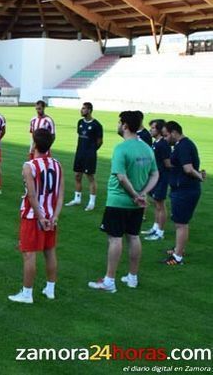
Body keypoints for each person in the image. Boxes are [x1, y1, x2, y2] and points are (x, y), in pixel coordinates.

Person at [89, 111, 157, 293]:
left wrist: (135, 194)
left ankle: (109, 280)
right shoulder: (146, 148)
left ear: (125, 125)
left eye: (120, 122)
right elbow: (155, 174)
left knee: (115, 239)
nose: (118, 125)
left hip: (119, 200)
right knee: (133, 236)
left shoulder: (121, 148)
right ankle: (132, 277)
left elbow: (121, 176)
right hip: (137, 204)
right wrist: (142, 194)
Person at [8, 128, 63, 304]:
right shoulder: (57, 165)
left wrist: (40, 216)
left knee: (29, 254)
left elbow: (31, 196)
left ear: (34, 143)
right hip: (50, 215)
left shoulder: (29, 166)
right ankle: (50, 289)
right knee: (50, 252)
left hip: (33, 216)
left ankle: (27, 294)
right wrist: (54, 216)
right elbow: (60, 195)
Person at [161, 121, 206, 265]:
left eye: (166, 135)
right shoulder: (181, 145)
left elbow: (188, 168)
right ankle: (178, 248)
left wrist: (199, 177)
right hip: (182, 189)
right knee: (180, 222)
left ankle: (178, 256)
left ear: (174, 132)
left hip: (185, 190)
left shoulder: (184, 146)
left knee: (181, 223)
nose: (166, 139)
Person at [66, 102, 103, 211]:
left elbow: (100, 141)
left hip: (89, 155)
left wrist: (91, 151)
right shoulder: (80, 122)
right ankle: (77, 199)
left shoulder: (97, 125)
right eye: (81, 108)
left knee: (90, 177)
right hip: (79, 153)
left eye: (83, 109)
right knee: (77, 175)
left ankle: (91, 202)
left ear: (89, 110)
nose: (81, 110)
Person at [142, 119, 171, 241]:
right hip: (155, 178)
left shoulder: (163, 144)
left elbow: (168, 164)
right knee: (156, 204)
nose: (150, 130)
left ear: (159, 130)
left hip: (162, 178)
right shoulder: (155, 143)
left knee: (160, 205)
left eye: (153, 128)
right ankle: (155, 227)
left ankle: (160, 232)